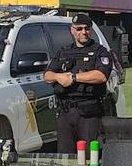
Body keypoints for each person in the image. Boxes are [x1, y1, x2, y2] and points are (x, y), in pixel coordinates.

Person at [44, 13, 114, 154]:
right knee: (65, 157)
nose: (84, 32)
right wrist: (59, 77)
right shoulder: (63, 52)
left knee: (91, 156)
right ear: (72, 30)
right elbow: (47, 75)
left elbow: (101, 76)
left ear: (91, 30)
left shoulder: (100, 52)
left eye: (87, 29)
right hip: (65, 112)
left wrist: (74, 77)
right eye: (79, 29)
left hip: (89, 113)